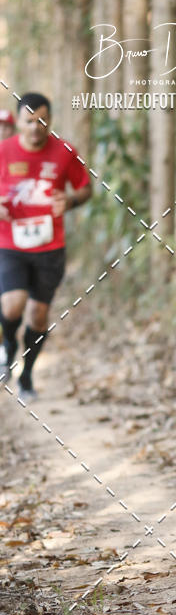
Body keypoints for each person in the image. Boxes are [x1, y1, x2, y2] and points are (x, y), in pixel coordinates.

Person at [0, 93, 91, 400]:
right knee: (12, 304)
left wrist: (71, 200)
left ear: (49, 120)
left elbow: (85, 187)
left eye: (42, 120)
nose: (36, 127)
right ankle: (8, 347)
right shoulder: (3, 151)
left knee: (38, 315)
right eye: (29, 121)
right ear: (18, 122)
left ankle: (26, 376)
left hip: (50, 246)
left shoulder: (64, 151)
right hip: (10, 242)